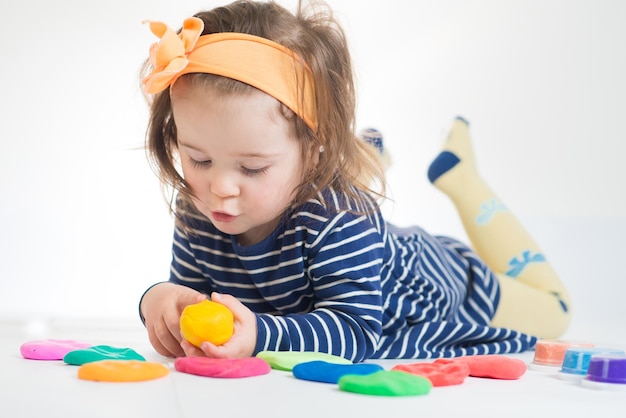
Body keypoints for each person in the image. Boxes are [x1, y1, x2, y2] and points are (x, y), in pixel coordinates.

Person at [138, 0, 571, 362]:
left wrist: (262, 336)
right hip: (354, 231)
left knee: (555, 309)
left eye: (251, 168)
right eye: (198, 158)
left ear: (313, 148)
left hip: (448, 285)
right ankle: (370, 153)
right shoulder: (197, 209)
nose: (221, 187)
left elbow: (356, 331)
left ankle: (463, 176)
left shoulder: (336, 218)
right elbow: (196, 299)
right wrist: (158, 299)